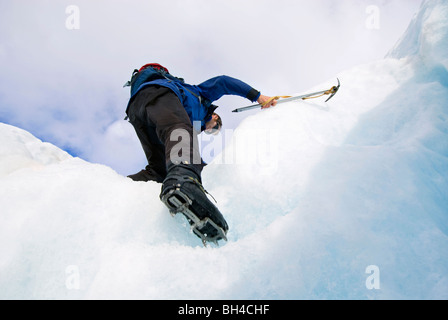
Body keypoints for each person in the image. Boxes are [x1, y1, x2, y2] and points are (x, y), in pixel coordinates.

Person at [124, 63, 277, 243]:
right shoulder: (201, 96)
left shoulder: (193, 123)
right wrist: (258, 96)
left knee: (159, 170)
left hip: (138, 110)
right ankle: (183, 182)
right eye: (215, 127)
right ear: (214, 116)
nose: (210, 130)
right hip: (159, 93)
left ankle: (112, 186)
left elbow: (193, 154)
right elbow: (223, 82)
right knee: (180, 133)